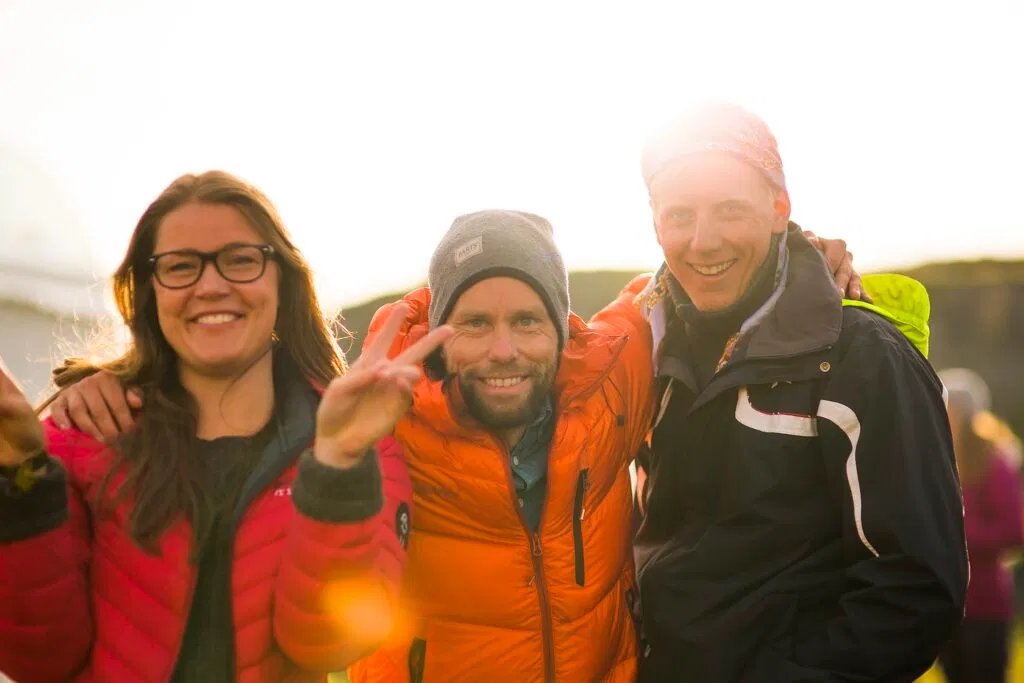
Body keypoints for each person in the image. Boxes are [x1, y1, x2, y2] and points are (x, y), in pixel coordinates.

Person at [47, 205, 859, 682]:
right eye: (473, 322)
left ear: (562, 327)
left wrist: (800, 255)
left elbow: (695, 265)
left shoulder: (616, 374)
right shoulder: (380, 409)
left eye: (526, 320)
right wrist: (110, 384)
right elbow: (230, 381)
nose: (502, 349)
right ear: (437, 330)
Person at [0, 171, 453, 683]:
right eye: (180, 266)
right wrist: (20, 482)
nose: (211, 286)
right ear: (149, 290)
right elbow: (36, 660)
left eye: (241, 260)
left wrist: (337, 464)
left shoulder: (363, 448)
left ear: (281, 279)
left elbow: (331, 645)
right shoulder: (82, 436)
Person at [631, 103, 968, 682]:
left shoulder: (864, 355)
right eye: (679, 215)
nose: (702, 240)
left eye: (730, 209)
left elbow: (914, 590)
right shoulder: (652, 349)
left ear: (778, 208)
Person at [938, 368, 1023, 683]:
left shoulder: (995, 460)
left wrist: (953, 536)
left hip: (985, 606)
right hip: (947, 605)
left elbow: (1014, 531)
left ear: (959, 410)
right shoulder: (941, 457)